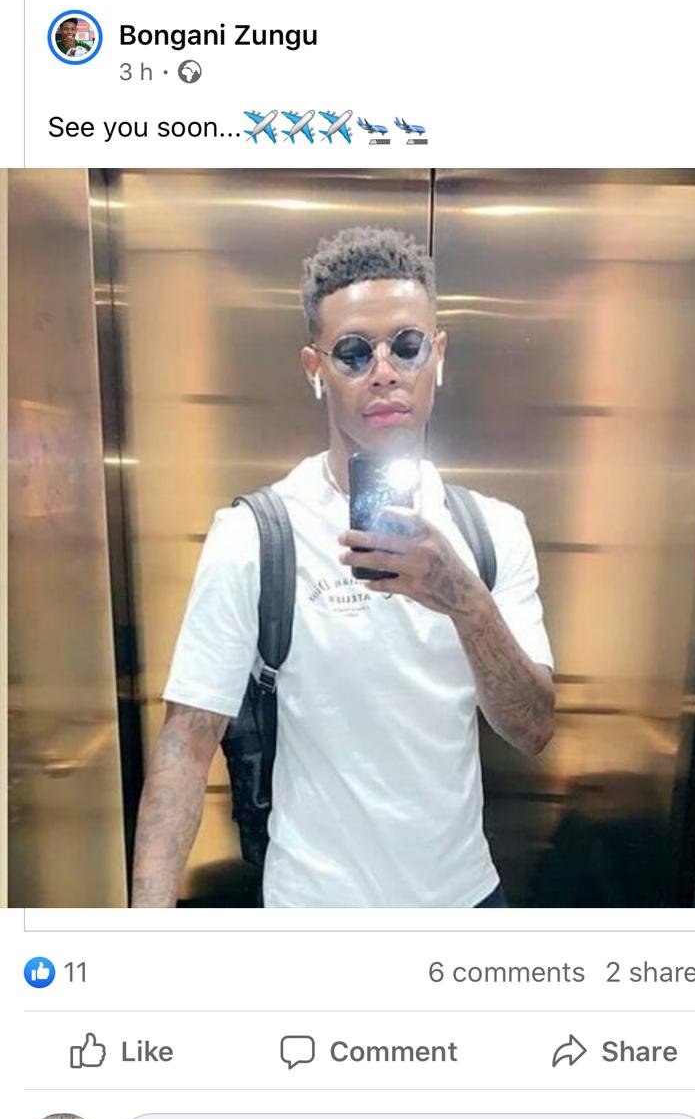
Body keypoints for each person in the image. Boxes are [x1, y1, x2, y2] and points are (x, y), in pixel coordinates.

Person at [131, 227, 554, 908]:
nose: (384, 371)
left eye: (407, 345)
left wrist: (465, 601)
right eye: (354, 352)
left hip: (464, 904)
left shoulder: (493, 531)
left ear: (438, 355)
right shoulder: (255, 536)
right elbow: (186, 746)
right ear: (314, 368)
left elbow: (532, 730)